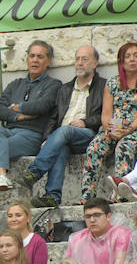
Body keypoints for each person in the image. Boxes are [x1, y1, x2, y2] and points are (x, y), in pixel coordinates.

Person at [0, 42, 60, 211]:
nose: (35, 60)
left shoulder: (53, 84)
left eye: (40, 56)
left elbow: (42, 106)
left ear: (49, 61)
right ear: (26, 59)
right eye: (32, 56)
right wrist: (20, 116)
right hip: (8, 131)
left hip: (31, 134)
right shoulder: (15, 84)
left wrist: (18, 107)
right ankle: (1, 175)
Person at [22, 45, 106, 208]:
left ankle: (36, 171)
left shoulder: (104, 86)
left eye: (85, 59)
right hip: (63, 138)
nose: (80, 63)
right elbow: (53, 118)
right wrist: (49, 139)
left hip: (87, 135)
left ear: (95, 63)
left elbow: (105, 115)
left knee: (65, 130)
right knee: (61, 145)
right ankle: (52, 195)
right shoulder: (65, 88)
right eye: (77, 59)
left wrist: (85, 122)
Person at [81, 41, 137, 206]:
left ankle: (119, 195)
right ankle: (87, 196)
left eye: (136, 56)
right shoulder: (112, 83)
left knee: (124, 145)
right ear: (121, 62)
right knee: (95, 146)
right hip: (115, 126)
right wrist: (109, 128)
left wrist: (128, 130)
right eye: (128, 56)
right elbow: (106, 113)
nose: (132, 60)